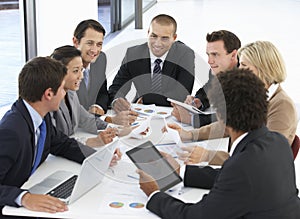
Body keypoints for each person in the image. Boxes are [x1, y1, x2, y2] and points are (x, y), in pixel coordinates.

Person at [137, 68, 300, 218]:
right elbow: (233, 180)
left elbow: (196, 216)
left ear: (222, 117)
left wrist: (154, 194)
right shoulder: (278, 143)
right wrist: (181, 171)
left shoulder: (242, 165)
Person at [0, 57, 121, 218]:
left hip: (34, 185)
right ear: (49, 94)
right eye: (63, 89)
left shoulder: (41, 116)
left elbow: (62, 144)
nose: (66, 93)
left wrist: (97, 158)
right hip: (12, 207)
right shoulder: (11, 131)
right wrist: (24, 198)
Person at [170, 40, 298, 165]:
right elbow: (229, 125)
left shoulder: (282, 105)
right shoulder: (253, 95)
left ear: (263, 69)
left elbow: (261, 156)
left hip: (257, 175)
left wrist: (208, 155)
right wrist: (190, 135)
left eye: (244, 65)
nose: (239, 70)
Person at [50, 45, 136, 147]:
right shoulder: (49, 100)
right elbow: (55, 140)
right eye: (75, 71)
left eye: (81, 70)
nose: (81, 76)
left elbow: (86, 119)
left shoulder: (70, 93)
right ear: (59, 73)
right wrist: (89, 142)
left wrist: (114, 129)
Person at [108, 14, 195, 112]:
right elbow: (116, 88)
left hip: (172, 112)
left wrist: (147, 98)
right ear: (148, 33)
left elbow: (182, 94)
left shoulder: (185, 54)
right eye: (154, 36)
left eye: (164, 38)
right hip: (141, 112)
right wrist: (117, 101)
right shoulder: (133, 54)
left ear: (174, 38)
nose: (157, 43)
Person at [171, 30, 241, 128]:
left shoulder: (247, 76)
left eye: (215, 54)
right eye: (208, 55)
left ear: (233, 55)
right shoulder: (218, 68)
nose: (209, 61)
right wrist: (198, 101)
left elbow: (234, 116)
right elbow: (208, 89)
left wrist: (191, 119)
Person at [73, 19, 109, 115]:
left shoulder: (100, 59)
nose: (94, 50)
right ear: (76, 42)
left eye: (99, 44)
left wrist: (98, 106)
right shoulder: (65, 66)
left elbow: (102, 93)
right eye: (90, 43)